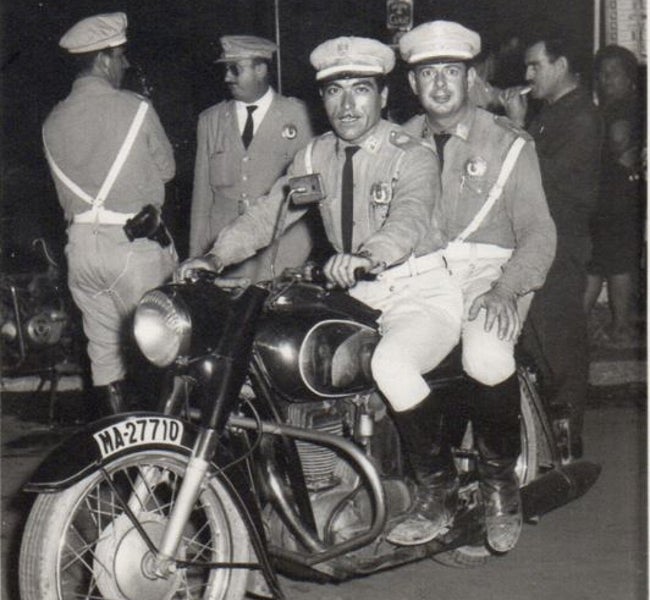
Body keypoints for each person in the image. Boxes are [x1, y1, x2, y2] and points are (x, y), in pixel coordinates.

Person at [179, 35, 465, 546]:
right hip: (354, 297)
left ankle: (437, 491)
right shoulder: (316, 155)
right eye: (335, 92)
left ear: (382, 96)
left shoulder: (409, 155)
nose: (347, 104)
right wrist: (216, 255)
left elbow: (409, 216)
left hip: (418, 290)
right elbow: (270, 212)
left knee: (391, 366)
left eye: (360, 90)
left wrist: (369, 255)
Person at [397, 20, 557, 551]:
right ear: (413, 85)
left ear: (469, 79)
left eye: (451, 72)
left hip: (489, 271)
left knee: (486, 355)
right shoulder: (397, 144)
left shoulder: (507, 142)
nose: (439, 84)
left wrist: (506, 290)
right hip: (420, 275)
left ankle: (499, 483)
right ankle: (433, 489)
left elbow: (537, 232)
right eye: (426, 74)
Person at [42, 12, 177, 414]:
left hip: (81, 251)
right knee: (162, 352)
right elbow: (167, 169)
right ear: (104, 59)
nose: (123, 66)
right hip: (132, 248)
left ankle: (119, 461)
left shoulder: (52, 120)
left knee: (103, 359)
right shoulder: (135, 108)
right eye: (120, 58)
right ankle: (159, 464)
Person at [501, 30, 603, 459]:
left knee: (560, 343)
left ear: (561, 66)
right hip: (541, 239)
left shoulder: (581, 116)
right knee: (537, 343)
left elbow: (550, 177)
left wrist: (519, 126)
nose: (527, 74)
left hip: (561, 243)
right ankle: (550, 441)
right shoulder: (555, 111)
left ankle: (567, 447)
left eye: (535, 65)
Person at [189, 35, 314, 281]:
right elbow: (201, 201)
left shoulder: (300, 116)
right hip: (223, 255)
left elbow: (310, 195)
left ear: (261, 69)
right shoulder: (210, 120)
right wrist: (196, 255)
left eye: (235, 69)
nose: (227, 77)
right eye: (226, 69)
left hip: (284, 252)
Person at [584, 45, 644, 346]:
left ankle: (614, 326)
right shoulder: (616, 106)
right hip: (609, 195)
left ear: (629, 77)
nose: (606, 80)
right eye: (602, 74)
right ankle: (616, 326)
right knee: (609, 262)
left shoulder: (623, 106)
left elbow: (621, 140)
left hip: (615, 194)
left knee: (608, 261)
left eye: (613, 74)